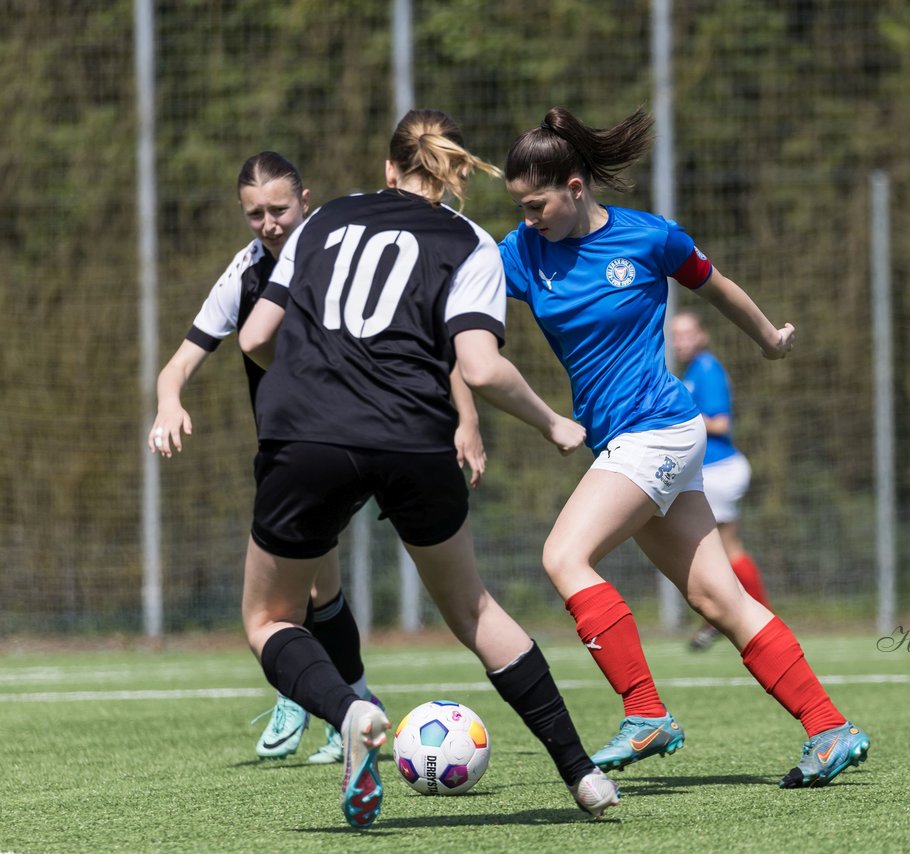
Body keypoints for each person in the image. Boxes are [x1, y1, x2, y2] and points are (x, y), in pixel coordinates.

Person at [236, 109, 620, 828]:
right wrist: (552, 421)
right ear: (453, 176)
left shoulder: (326, 220)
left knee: (268, 618)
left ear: (388, 169)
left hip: (308, 436)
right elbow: (479, 365)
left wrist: (306, 382)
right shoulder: (472, 242)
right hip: (415, 438)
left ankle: (350, 711)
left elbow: (257, 335)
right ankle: (584, 775)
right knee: (474, 611)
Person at [498, 106, 871, 789]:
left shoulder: (648, 238)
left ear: (576, 187)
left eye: (537, 204)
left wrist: (766, 337)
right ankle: (829, 727)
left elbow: (716, 285)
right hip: (625, 444)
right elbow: (464, 289)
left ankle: (645, 713)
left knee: (563, 555)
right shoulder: (522, 254)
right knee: (716, 597)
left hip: (660, 429)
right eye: (520, 207)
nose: (530, 219)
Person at [147, 152, 405, 764]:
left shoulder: (339, 252)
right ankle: (344, 699)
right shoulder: (244, 274)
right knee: (319, 585)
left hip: (339, 443)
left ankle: (313, 692)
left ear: (306, 200)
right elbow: (178, 364)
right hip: (285, 453)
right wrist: (168, 403)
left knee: (294, 593)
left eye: (279, 209)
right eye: (255, 213)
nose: (268, 223)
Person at [669, 310, 774, 651]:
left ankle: (760, 622)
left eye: (687, 333)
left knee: (721, 552)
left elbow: (719, 424)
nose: (681, 341)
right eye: (676, 335)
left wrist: (679, 416)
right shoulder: (694, 371)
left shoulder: (708, 369)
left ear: (703, 335)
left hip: (719, 470)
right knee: (718, 552)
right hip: (711, 471)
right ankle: (722, 620)